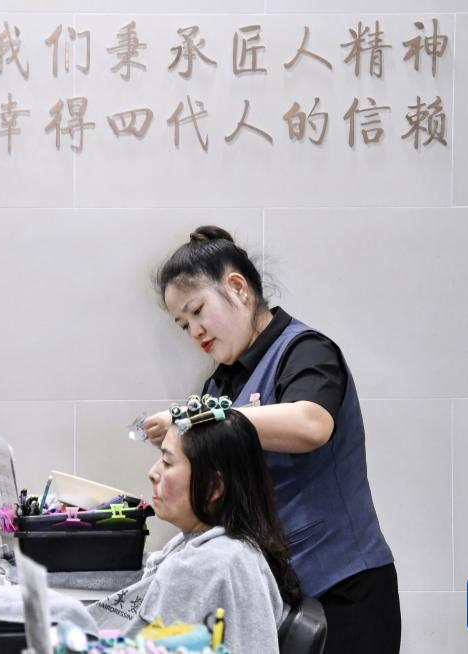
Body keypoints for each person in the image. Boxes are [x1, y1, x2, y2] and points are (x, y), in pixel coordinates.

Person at [144, 225, 399, 653]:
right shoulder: (219, 385)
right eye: (184, 325)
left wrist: (198, 417)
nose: (195, 332)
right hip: (274, 596)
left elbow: (311, 425)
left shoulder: (306, 351)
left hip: (344, 590)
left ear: (237, 288)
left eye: (198, 311)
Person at [89, 409, 300, 654]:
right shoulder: (236, 546)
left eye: (167, 462)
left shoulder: (204, 566)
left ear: (213, 487)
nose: (153, 473)